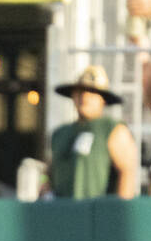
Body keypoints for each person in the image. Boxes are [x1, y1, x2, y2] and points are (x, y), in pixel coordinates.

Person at [47, 65, 138, 200]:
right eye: (80, 91)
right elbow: (50, 174)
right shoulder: (59, 133)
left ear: (103, 99)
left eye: (92, 92)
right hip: (62, 212)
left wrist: (118, 213)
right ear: (73, 95)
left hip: (97, 214)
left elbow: (128, 172)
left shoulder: (112, 128)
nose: (85, 96)